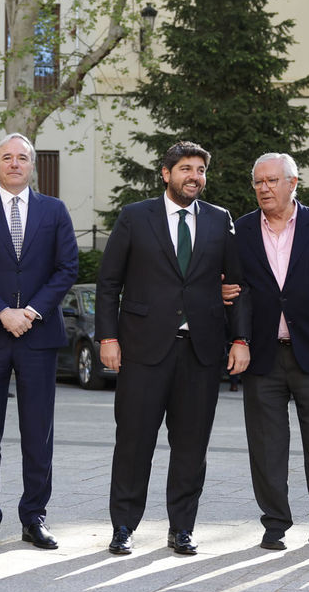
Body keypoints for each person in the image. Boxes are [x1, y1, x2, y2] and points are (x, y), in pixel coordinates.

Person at [96, 140, 250, 556]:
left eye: (200, 170)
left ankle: (182, 527)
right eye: (185, 169)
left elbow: (236, 285)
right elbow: (109, 283)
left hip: (201, 353)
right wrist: (107, 338)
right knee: (134, 443)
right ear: (166, 174)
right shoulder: (135, 216)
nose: (193, 177)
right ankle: (123, 526)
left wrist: (240, 339)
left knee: (191, 447)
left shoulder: (219, 219)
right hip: (142, 351)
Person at [0, 133, 78, 551]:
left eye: (21, 157)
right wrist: (2, 311)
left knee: (38, 433)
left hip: (38, 336)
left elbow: (67, 267)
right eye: (6, 157)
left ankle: (34, 517)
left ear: (32, 165)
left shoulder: (55, 210)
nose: (14, 163)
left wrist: (31, 311)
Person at [234, 153, 309, 552]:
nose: (264, 188)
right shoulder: (241, 230)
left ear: (293, 183)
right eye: (258, 182)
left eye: (272, 180)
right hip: (262, 356)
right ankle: (274, 524)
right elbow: (234, 290)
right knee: (267, 447)